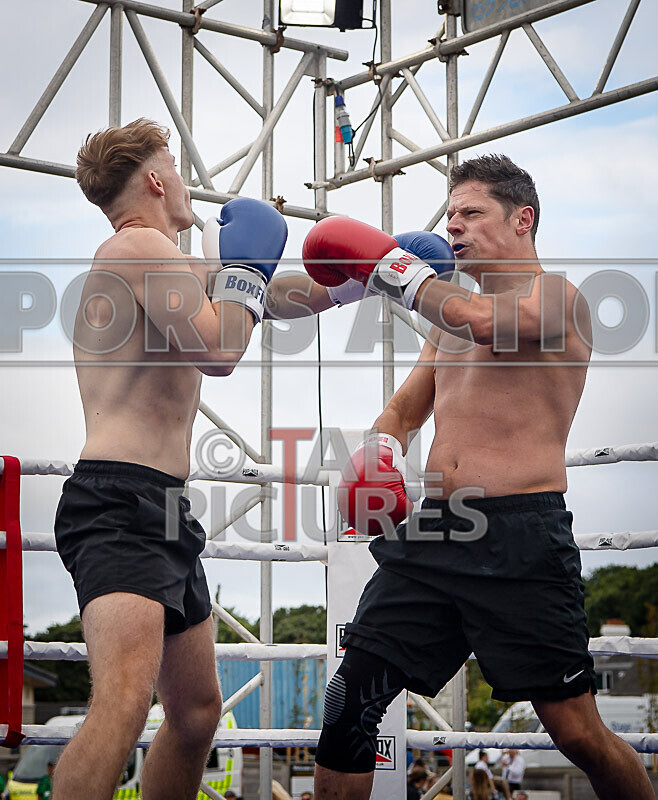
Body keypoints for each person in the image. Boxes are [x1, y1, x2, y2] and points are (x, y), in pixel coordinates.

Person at [305, 154, 655, 800]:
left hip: (521, 536)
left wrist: (398, 272)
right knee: (348, 698)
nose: (454, 226)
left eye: (471, 213)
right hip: (436, 532)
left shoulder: (558, 299)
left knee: (577, 731)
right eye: (449, 216)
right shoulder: (446, 320)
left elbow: (492, 325)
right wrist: (381, 452)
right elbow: (406, 407)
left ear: (523, 220)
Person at [52, 119, 292, 800]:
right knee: (125, 702)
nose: (186, 183)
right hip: (118, 503)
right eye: (177, 169)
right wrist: (244, 271)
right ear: (156, 181)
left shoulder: (163, 263)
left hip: (159, 506)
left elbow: (267, 298)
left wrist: (372, 275)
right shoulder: (137, 247)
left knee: (193, 713)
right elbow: (220, 350)